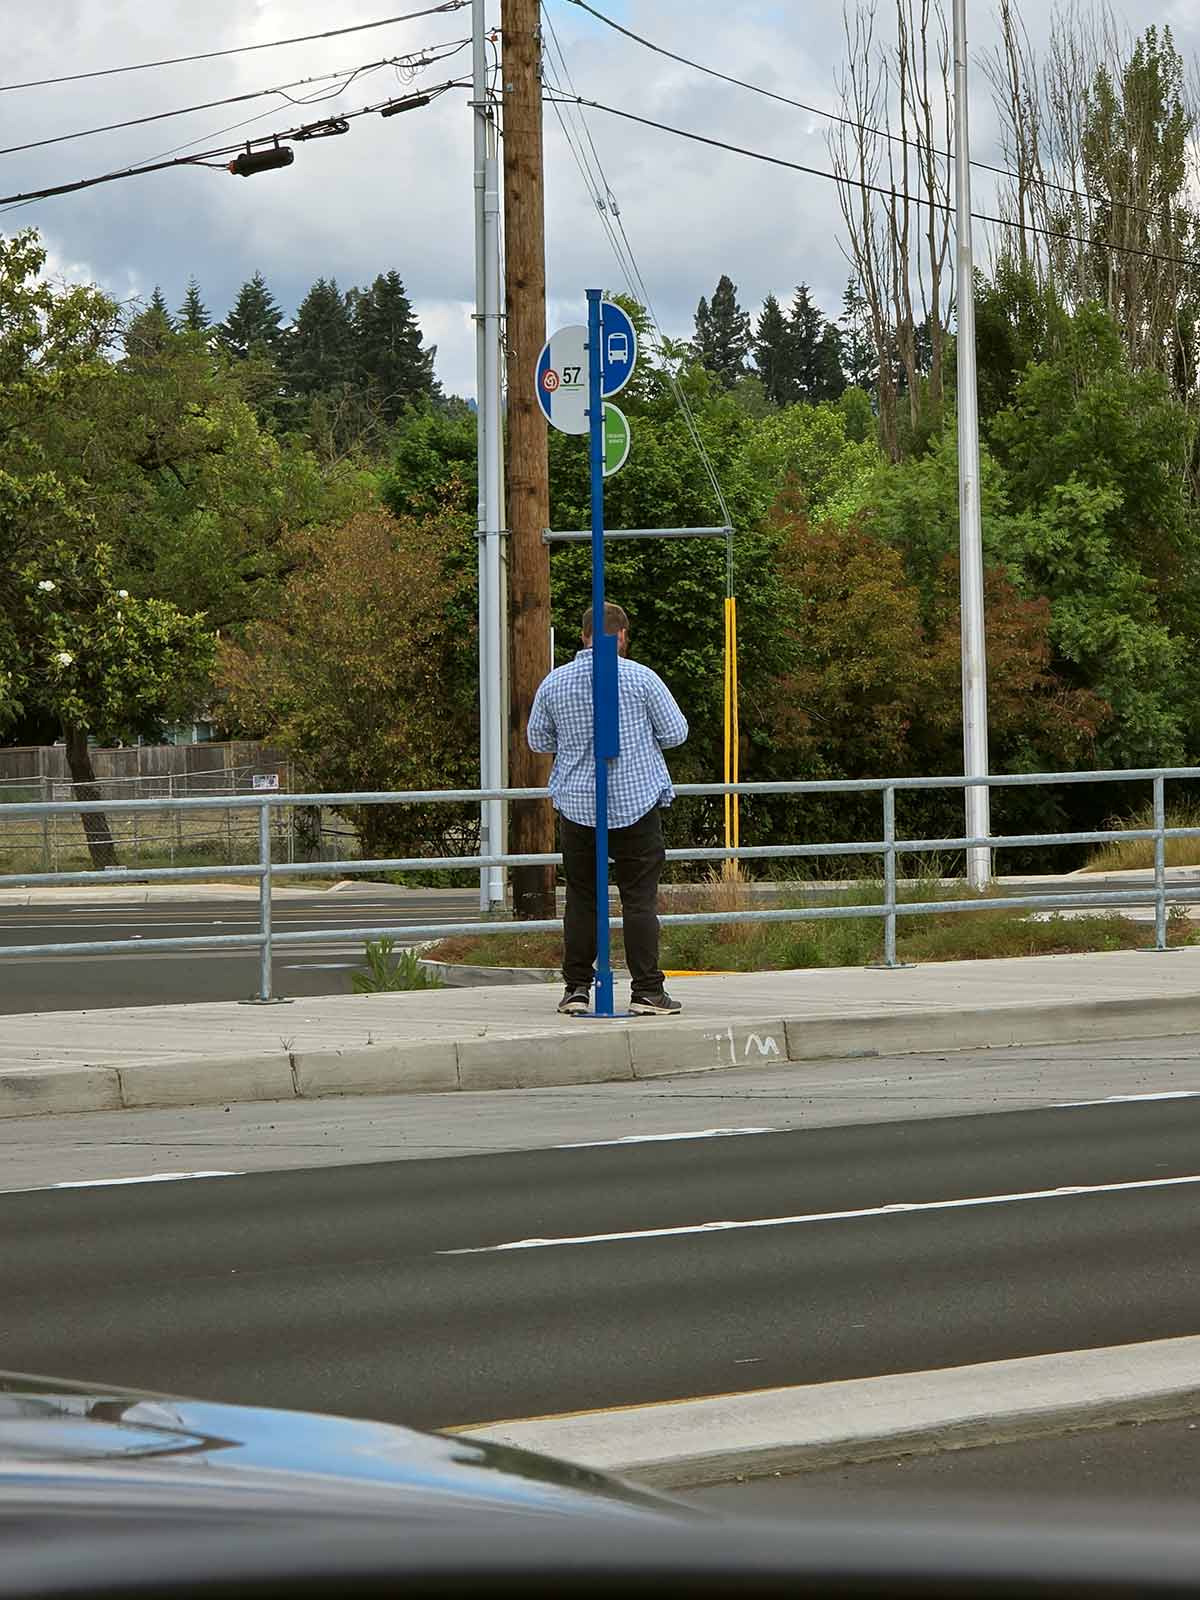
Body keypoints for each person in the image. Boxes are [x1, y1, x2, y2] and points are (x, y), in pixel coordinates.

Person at [528, 601, 689, 1016]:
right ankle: (648, 991)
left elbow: (538, 741)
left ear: (583, 637)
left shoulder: (555, 683)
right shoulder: (641, 678)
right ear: (622, 636)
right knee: (639, 899)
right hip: (636, 804)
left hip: (579, 805)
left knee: (582, 897)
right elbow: (675, 732)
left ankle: (577, 988)